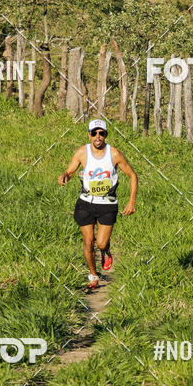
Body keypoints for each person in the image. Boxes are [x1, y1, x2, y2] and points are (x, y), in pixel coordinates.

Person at [58, 119, 138, 289]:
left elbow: (132, 175)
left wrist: (132, 201)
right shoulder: (82, 152)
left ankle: (105, 250)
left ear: (106, 135)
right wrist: (64, 175)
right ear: (89, 134)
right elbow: (70, 171)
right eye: (94, 133)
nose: (98, 137)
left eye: (101, 133)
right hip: (85, 203)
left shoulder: (114, 154)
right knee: (88, 242)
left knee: (101, 243)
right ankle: (93, 275)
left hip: (107, 205)